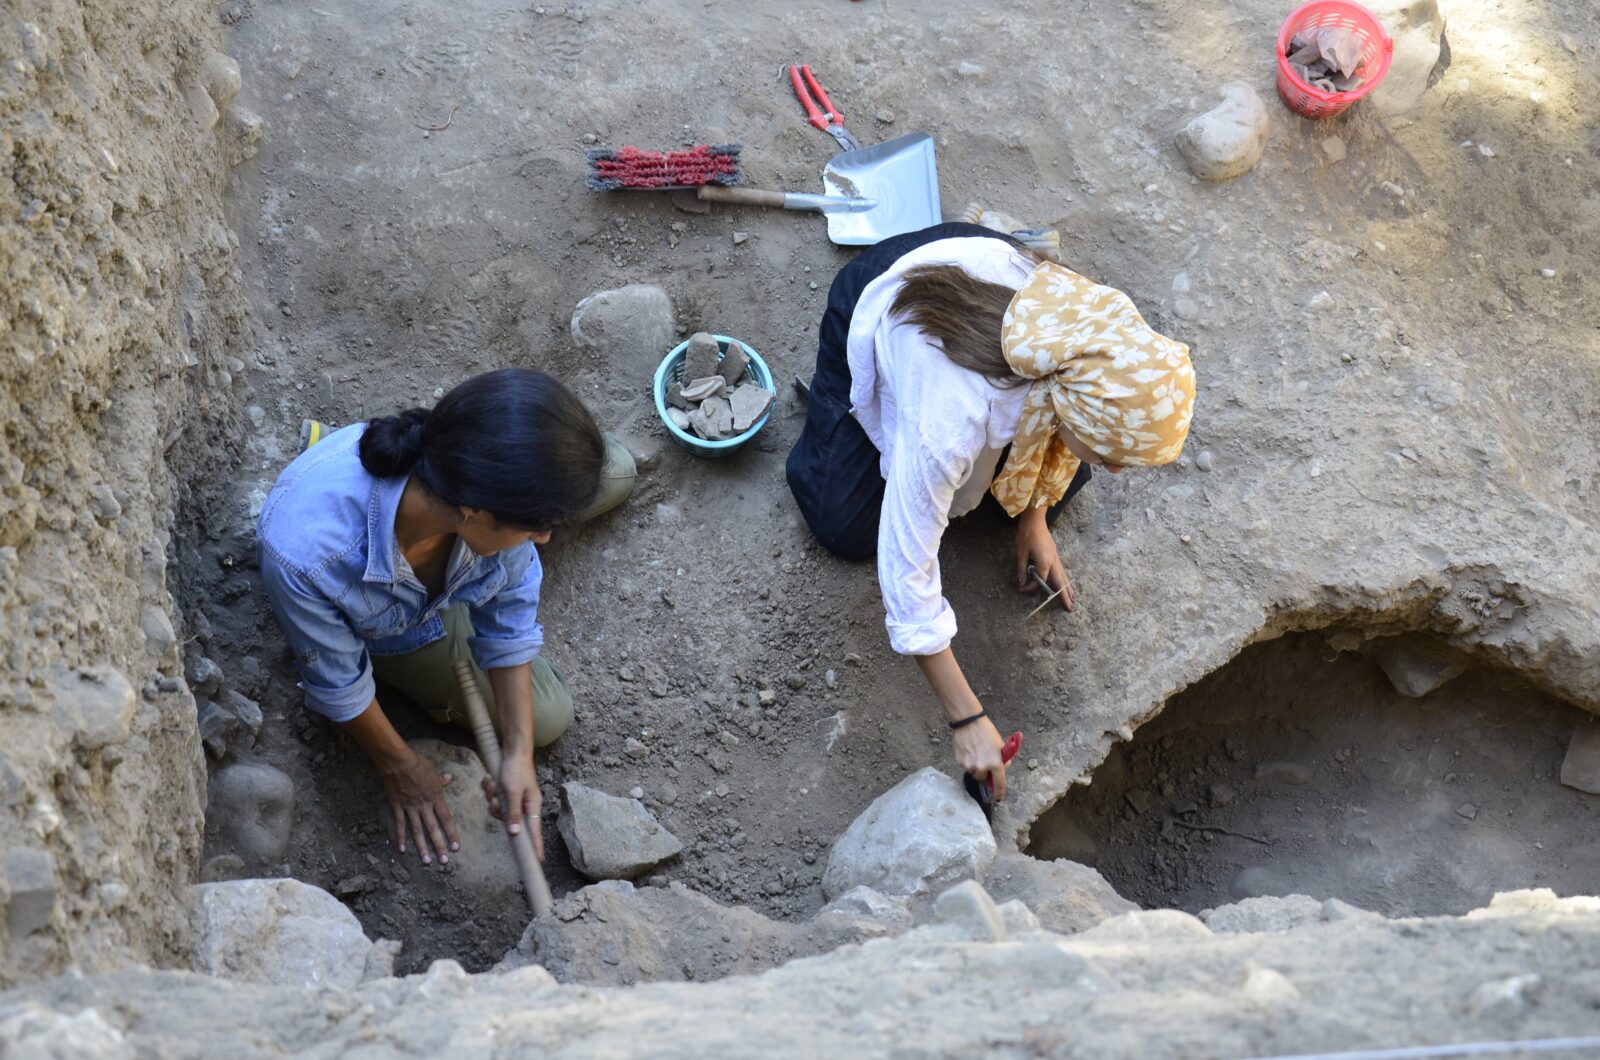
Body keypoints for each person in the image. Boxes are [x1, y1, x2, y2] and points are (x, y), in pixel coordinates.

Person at [786, 222, 1195, 802]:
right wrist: (966, 719)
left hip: (979, 272)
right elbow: (906, 570)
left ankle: (1036, 490)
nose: (1119, 472)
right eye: (1114, 453)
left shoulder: (1094, 345)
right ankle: (833, 408)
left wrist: (1035, 517)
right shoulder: (949, 424)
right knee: (845, 524)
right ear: (1070, 407)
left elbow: (1054, 439)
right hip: (891, 296)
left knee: (1068, 478)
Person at [257, 368, 635, 866]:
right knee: (549, 714)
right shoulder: (307, 558)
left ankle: (540, 490)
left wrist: (518, 754)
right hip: (393, 624)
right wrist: (402, 766)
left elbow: (511, 607)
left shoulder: (468, 490)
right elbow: (340, 683)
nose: (545, 538)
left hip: (459, 519)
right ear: (474, 511)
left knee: (616, 469)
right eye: (537, 527)